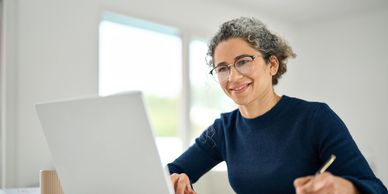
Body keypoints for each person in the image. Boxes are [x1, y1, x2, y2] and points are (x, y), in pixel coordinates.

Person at [167, 17, 387, 194]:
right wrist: (178, 181)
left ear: (272, 64)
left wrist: (347, 188)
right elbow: (172, 172)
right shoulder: (223, 129)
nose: (232, 77)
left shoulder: (316, 118)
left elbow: (376, 189)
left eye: (243, 62)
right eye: (223, 68)